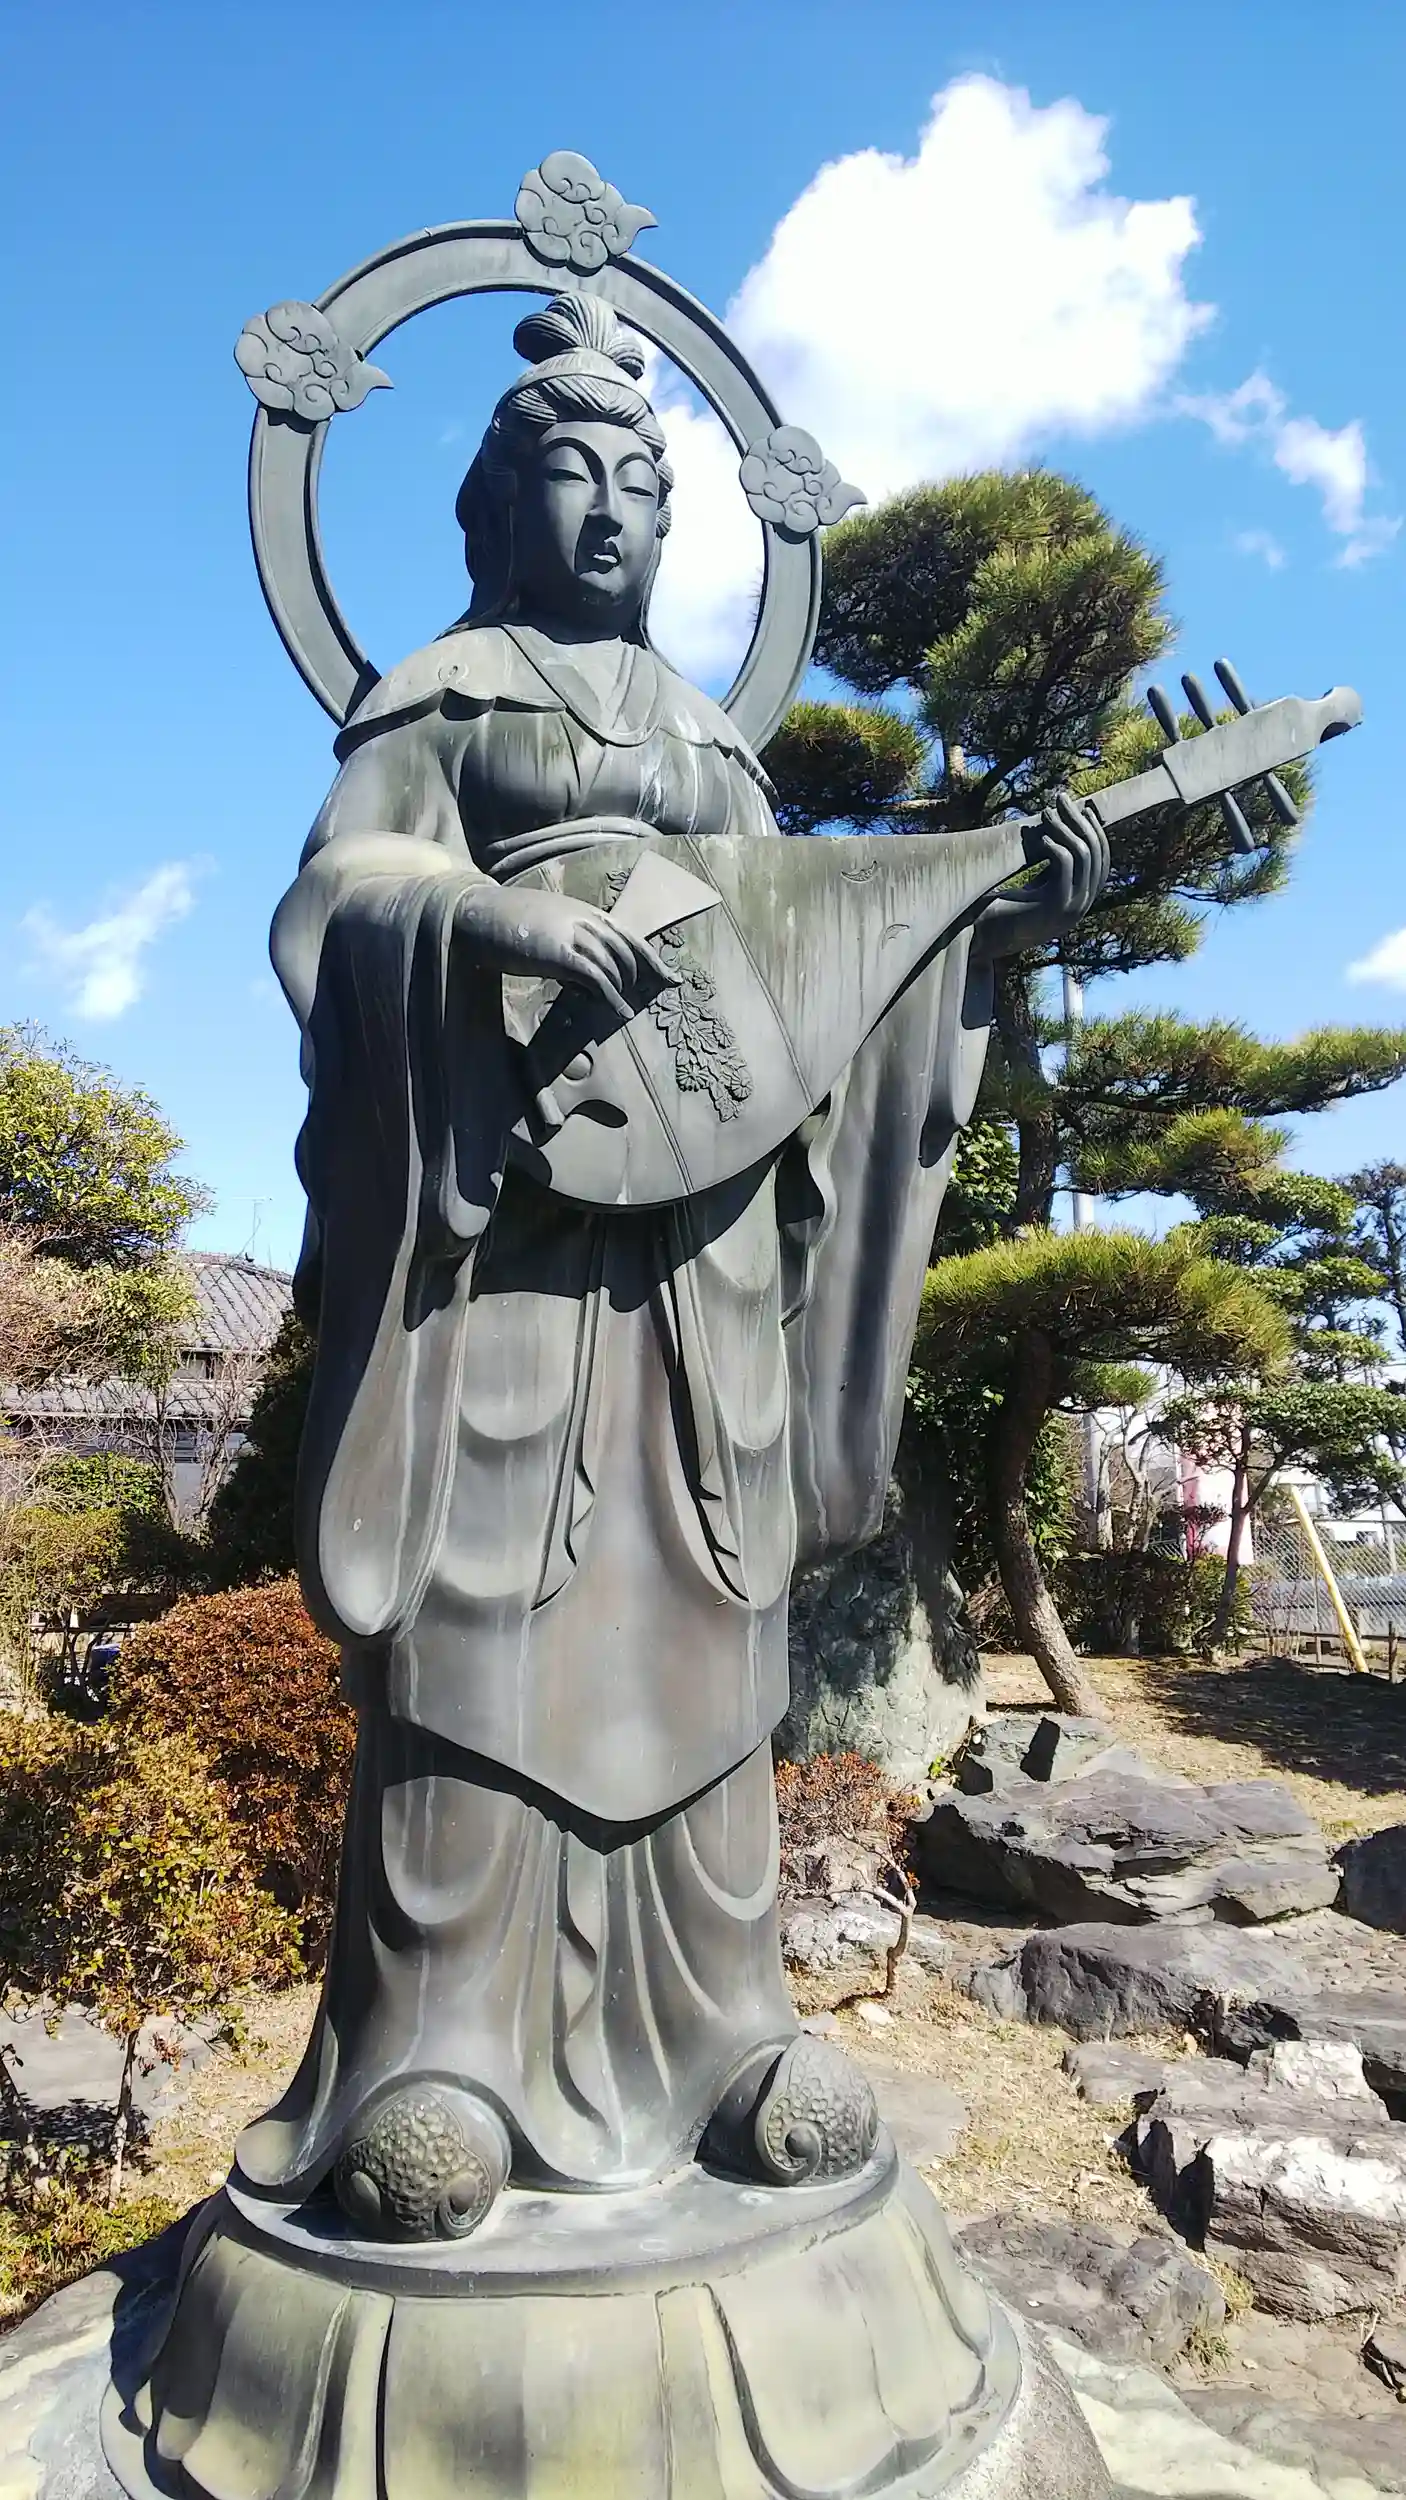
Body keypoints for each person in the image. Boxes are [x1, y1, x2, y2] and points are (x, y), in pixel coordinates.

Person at [239, 293, 1106, 2239]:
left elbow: (799, 983)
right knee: (483, 1602)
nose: (613, 508)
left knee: (703, 1606)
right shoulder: (447, 695)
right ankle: (439, 2045)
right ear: (496, 509)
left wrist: (986, 917)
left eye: (645, 480)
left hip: (701, 1276)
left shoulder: (715, 741)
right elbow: (341, 890)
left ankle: (722, 2030)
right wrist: (480, 923)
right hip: (508, 1251)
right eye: (574, 472)